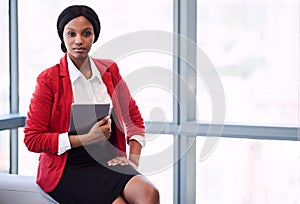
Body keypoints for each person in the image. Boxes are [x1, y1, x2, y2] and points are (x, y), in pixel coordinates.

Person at [24, 5, 159, 204]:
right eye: (71, 34)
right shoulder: (48, 79)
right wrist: (87, 138)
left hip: (108, 161)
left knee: (149, 193)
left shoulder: (109, 70)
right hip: (67, 168)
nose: (79, 40)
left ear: (94, 36)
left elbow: (133, 117)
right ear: (62, 37)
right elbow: (32, 139)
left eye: (86, 33)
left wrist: (133, 160)